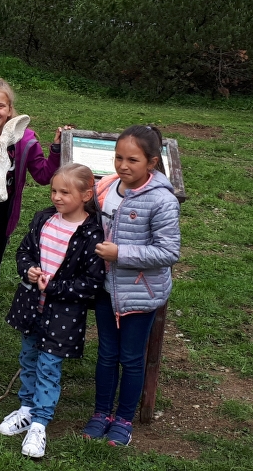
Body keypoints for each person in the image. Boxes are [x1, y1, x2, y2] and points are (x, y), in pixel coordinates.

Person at [83, 125, 180, 447]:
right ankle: (101, 413)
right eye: (118, 158)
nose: (123, 166)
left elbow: (168, 252)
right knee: (107, 355)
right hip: (105, 290)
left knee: (131, 358)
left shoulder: (162, 201)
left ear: (151, 162)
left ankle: (124, 419)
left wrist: (120, 254)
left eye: (132, 160)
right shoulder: (106, 187)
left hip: (141, 294)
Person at [0, 163, 105, 458]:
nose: (57, 197)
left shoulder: (92, 233)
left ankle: (40, 423)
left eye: (65, 192)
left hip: (63, 315)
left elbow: (91, 282)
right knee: (28, 357)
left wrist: (55, 287)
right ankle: (26, 408)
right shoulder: (43, 219)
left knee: (48, 366)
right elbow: (24, 251)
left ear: (86, 195)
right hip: (31, 306)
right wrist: (29, 269)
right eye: (54, 191)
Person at [0, 77, 69, 332]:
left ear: (9, 110)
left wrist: (56, 149)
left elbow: (43, 175)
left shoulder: (23, 140)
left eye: (0, 106)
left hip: (2, 206)